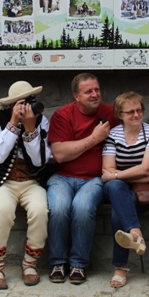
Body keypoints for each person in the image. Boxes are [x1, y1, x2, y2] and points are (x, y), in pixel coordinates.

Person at [47, 73, 119, 285]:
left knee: (82, 207)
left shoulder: (110, 113)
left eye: (97, 90)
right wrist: (94, 139)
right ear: (76, 96)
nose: (95, 94)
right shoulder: (63, 115)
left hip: (94, 179)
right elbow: (59, 153)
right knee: (59, 208)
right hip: (62, 177)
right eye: (89, 91)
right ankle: (58, 262)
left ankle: (78, 264)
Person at [0, 81, 51, 289]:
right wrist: (13, 123)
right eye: (23, 102)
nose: (28, 106)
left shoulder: (41, 120)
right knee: (3, 210)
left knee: (40, 211)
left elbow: (40, 161)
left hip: (32, 181)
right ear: (12, 104)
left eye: (31, 101)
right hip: (4, 181)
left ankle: (30, 264)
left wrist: (31, 129)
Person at [101, 91, 149, 288]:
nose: (136, 115)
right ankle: (135, 233)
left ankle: (121, 267)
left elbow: (148, 168)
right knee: (116, 187)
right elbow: (108, 168)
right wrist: (135, 174)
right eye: (130, 112)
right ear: (120, 114)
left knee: (117, 215)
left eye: (139, 110)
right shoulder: (113, 135)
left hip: (146, 192)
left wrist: (118, 174)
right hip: (120, 190)